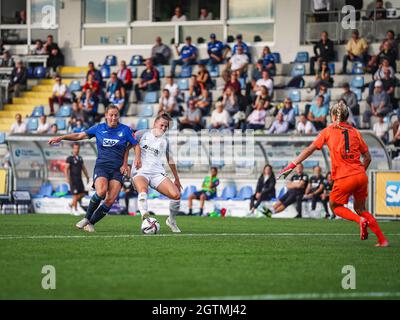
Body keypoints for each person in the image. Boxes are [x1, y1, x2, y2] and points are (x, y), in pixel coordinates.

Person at [278, 101, 389, 246]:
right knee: (361, 209)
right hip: (361, 175)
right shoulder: (355, 132)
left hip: (344, 177)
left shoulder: (328, 131)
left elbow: (309, 150)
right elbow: (368, 157)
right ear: (347, 116)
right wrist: (360, 171)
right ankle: (382, 240)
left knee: (335, 206)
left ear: (333, 115)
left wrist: (291, 165)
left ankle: (359, 221)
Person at [48, 105, 142, 233]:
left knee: (110, 200)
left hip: (117, 170)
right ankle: (87, 218)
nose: (113, 118)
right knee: (101, 191)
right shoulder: (98, 128)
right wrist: (61, 137)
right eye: (111, 115)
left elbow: (136, 145)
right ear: (106, 116)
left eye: (116, 115)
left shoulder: (125, 130)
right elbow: (79, 135)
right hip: (102, 167)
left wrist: (136, 159)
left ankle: (91, 223)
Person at [131, 112, 183, 233]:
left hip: (157, 173)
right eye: (162, 125)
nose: (164, 128)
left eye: (166, 127)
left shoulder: (165, 141)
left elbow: (170, 160)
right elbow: (127, 147)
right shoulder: (141, 134)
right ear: (155, 123)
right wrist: (124, 165)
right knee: (143, 192)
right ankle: (145, 218)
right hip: (141, 171)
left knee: (176, 196)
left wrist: (177, 178)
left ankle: (171, 221)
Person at [64, 143, 90, 216]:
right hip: (73, 180)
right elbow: (66, 169)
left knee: (82, 194)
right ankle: (75, 210)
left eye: (78, 148)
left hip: (79, 179)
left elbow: (83, 168)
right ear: (73, 149)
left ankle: (70, 205)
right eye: (75, 148)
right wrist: (67, 178)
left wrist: (87, 176)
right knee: (75, 195)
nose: (76, 150)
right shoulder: (70, 158)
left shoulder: (80, 158)